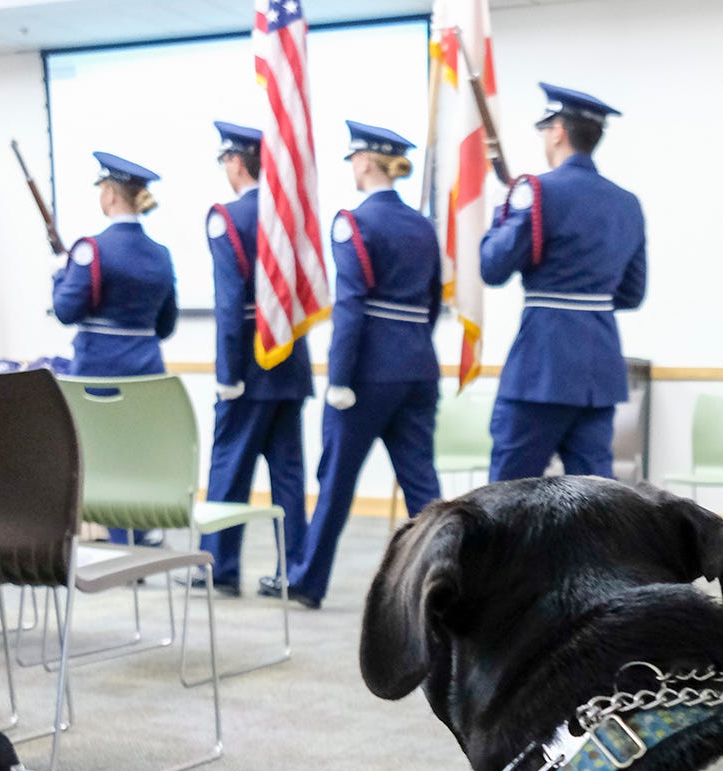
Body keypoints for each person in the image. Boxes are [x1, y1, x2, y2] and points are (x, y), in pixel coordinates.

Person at [259, 121, 441, 609]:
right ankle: (450, 576)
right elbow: (432, 304)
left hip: (366, 374)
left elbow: (351, 307)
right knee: (422, 482)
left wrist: (339, 377)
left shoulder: (354, 222)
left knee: (336, 480)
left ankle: (308, 581)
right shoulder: (423, 225)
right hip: (419, 366)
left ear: (364, 162)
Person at [480, 83, 646, 482]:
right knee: (596, 504)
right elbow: (632, 293)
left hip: (543, 366)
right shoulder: (627, 202)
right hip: (599, 368)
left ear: (557, 132)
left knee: (507, 497)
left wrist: (503, 215)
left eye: (544, 128)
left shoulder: (536, 192)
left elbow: (493, 268)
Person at [185, 121, 310, 599]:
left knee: (229, 468)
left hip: (250, 366)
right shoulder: (290, 219)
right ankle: (292, 568)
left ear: (236, 162)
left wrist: (227, 373)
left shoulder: (226, 217)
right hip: (289, 362)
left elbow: (229, 305)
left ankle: (220, 565)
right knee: (289, 476)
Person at [52, 151, 177, 546]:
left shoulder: (91, 249)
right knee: (137, 453)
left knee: (99, 453)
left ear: (109, 193)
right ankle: (140, 530)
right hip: (147, 368)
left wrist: (60, 273)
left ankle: (118, 536)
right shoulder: (161, 254)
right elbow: (166, 324)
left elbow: (66, 310)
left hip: (97, 368)